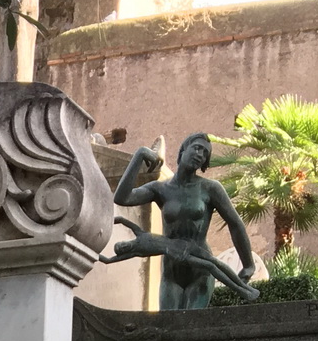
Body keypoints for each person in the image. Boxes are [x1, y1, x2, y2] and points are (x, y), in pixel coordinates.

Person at [102, 132, 259, 309]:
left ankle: (245, 291)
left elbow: (235, 224)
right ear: (183, 149)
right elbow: (122, 198)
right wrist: (139, 156)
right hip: (171, 267)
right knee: (168, 325)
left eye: (205, 153)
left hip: (199, 267)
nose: (200, 155)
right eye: (197, 148)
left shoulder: (210, 188)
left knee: (193, 324)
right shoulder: (160, 188)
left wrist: (248, 265)